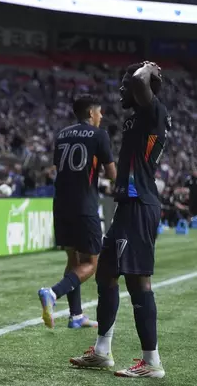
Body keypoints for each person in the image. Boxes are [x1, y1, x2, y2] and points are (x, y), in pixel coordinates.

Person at [70, 62, 169, 378]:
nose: (122, 88)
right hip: (128, 204)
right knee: (106, 273)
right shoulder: (137, 118)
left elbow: (142, 84)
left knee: (138, 281)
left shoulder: (154, 112)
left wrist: (144, 70)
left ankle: (151, 362)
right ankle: (101, 351)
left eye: (126, 83)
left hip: (140, 205)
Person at [37, 95, 117, 329]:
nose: (101, 117)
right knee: (92, 262)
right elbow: (112, 175)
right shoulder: (99, 135)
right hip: (84, 205)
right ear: (91, 113)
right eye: (100, 112)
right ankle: (52, 293)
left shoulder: (62, 134)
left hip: (61, 205)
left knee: (73, 259)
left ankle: (76, 315)